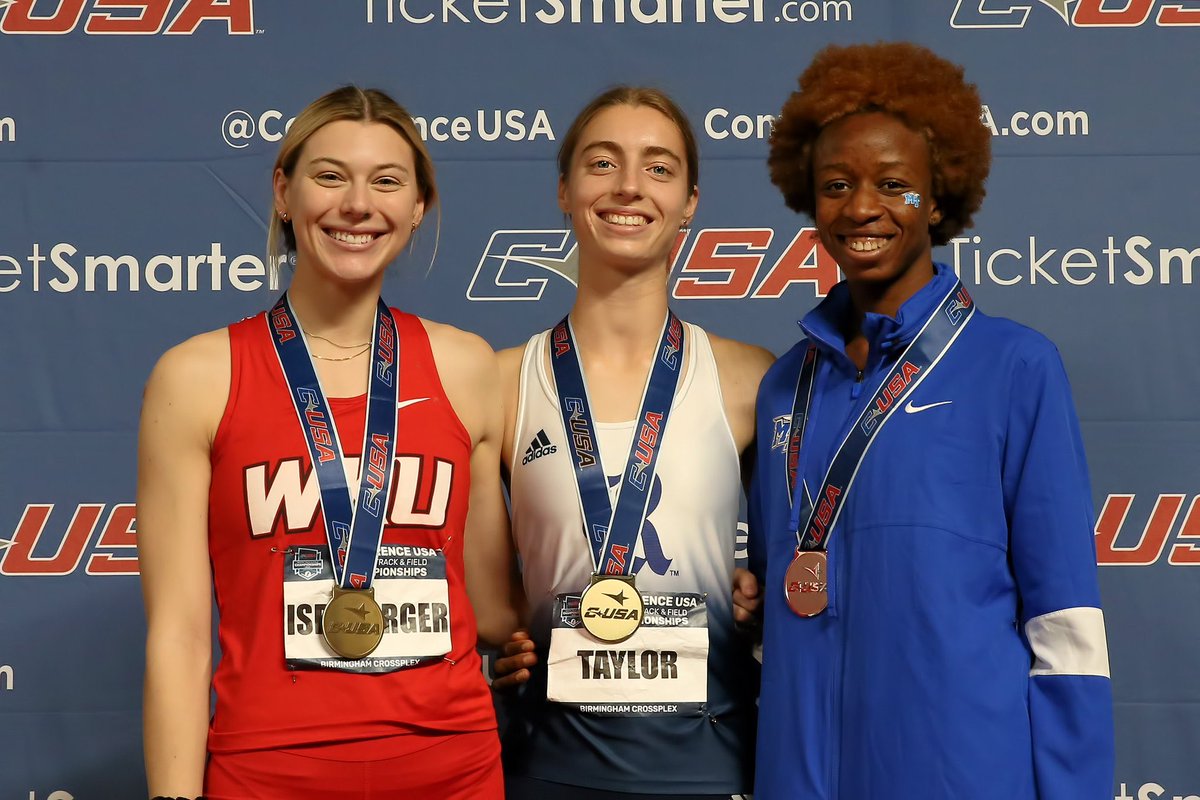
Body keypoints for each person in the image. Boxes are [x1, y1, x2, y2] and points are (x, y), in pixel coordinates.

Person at [738, 42, 1114, 799]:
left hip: (961, 768)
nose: (862, 207)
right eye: (837, 185)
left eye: (895, 185)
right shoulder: (786, 386)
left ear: (939, 200)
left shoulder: (1014, 366)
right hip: (801, 770)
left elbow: (1065, 617)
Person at [137, 86, 519, 800]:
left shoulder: (468, 367)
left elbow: (493, 605)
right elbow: (180, 636)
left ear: (417, 208)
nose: (357, 205)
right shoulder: (196, 377)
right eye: (330, 176)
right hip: (269, 771)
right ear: (284, 193)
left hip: (452, 768)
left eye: (386, 181)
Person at [492, 87, 773, 799]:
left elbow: (798, 566)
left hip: (712, 762)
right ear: (564, 190)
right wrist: (503, 638)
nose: (627, 187)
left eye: (657, 167)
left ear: (689, 202)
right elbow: (476, 595)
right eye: (601, 163)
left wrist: (762, 595)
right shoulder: (498, 382)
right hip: (548, 766)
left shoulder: (748, 378)